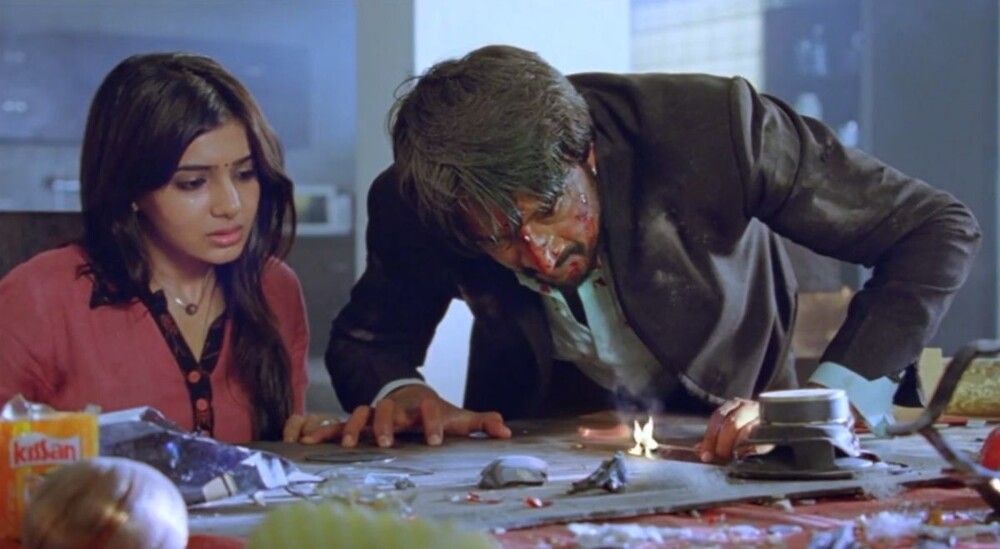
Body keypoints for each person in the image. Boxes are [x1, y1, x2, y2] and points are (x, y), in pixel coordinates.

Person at [313, 45, 980, 460]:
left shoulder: (715, 128)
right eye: (499, 238)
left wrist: (825, 402)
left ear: (588, 154)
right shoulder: (418, 202)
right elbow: (368, 342)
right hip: (538, 441)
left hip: (739, 425)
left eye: (549, 211)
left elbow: (933, 229)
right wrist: (402, 391)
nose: (539, 255)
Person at [0, 53, 310, 443]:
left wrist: (313, 437)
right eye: (193, 183)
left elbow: (281, 452)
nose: (230, 205)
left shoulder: (274, 286)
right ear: (132, 188)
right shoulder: (41, 295)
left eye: (246, 174)